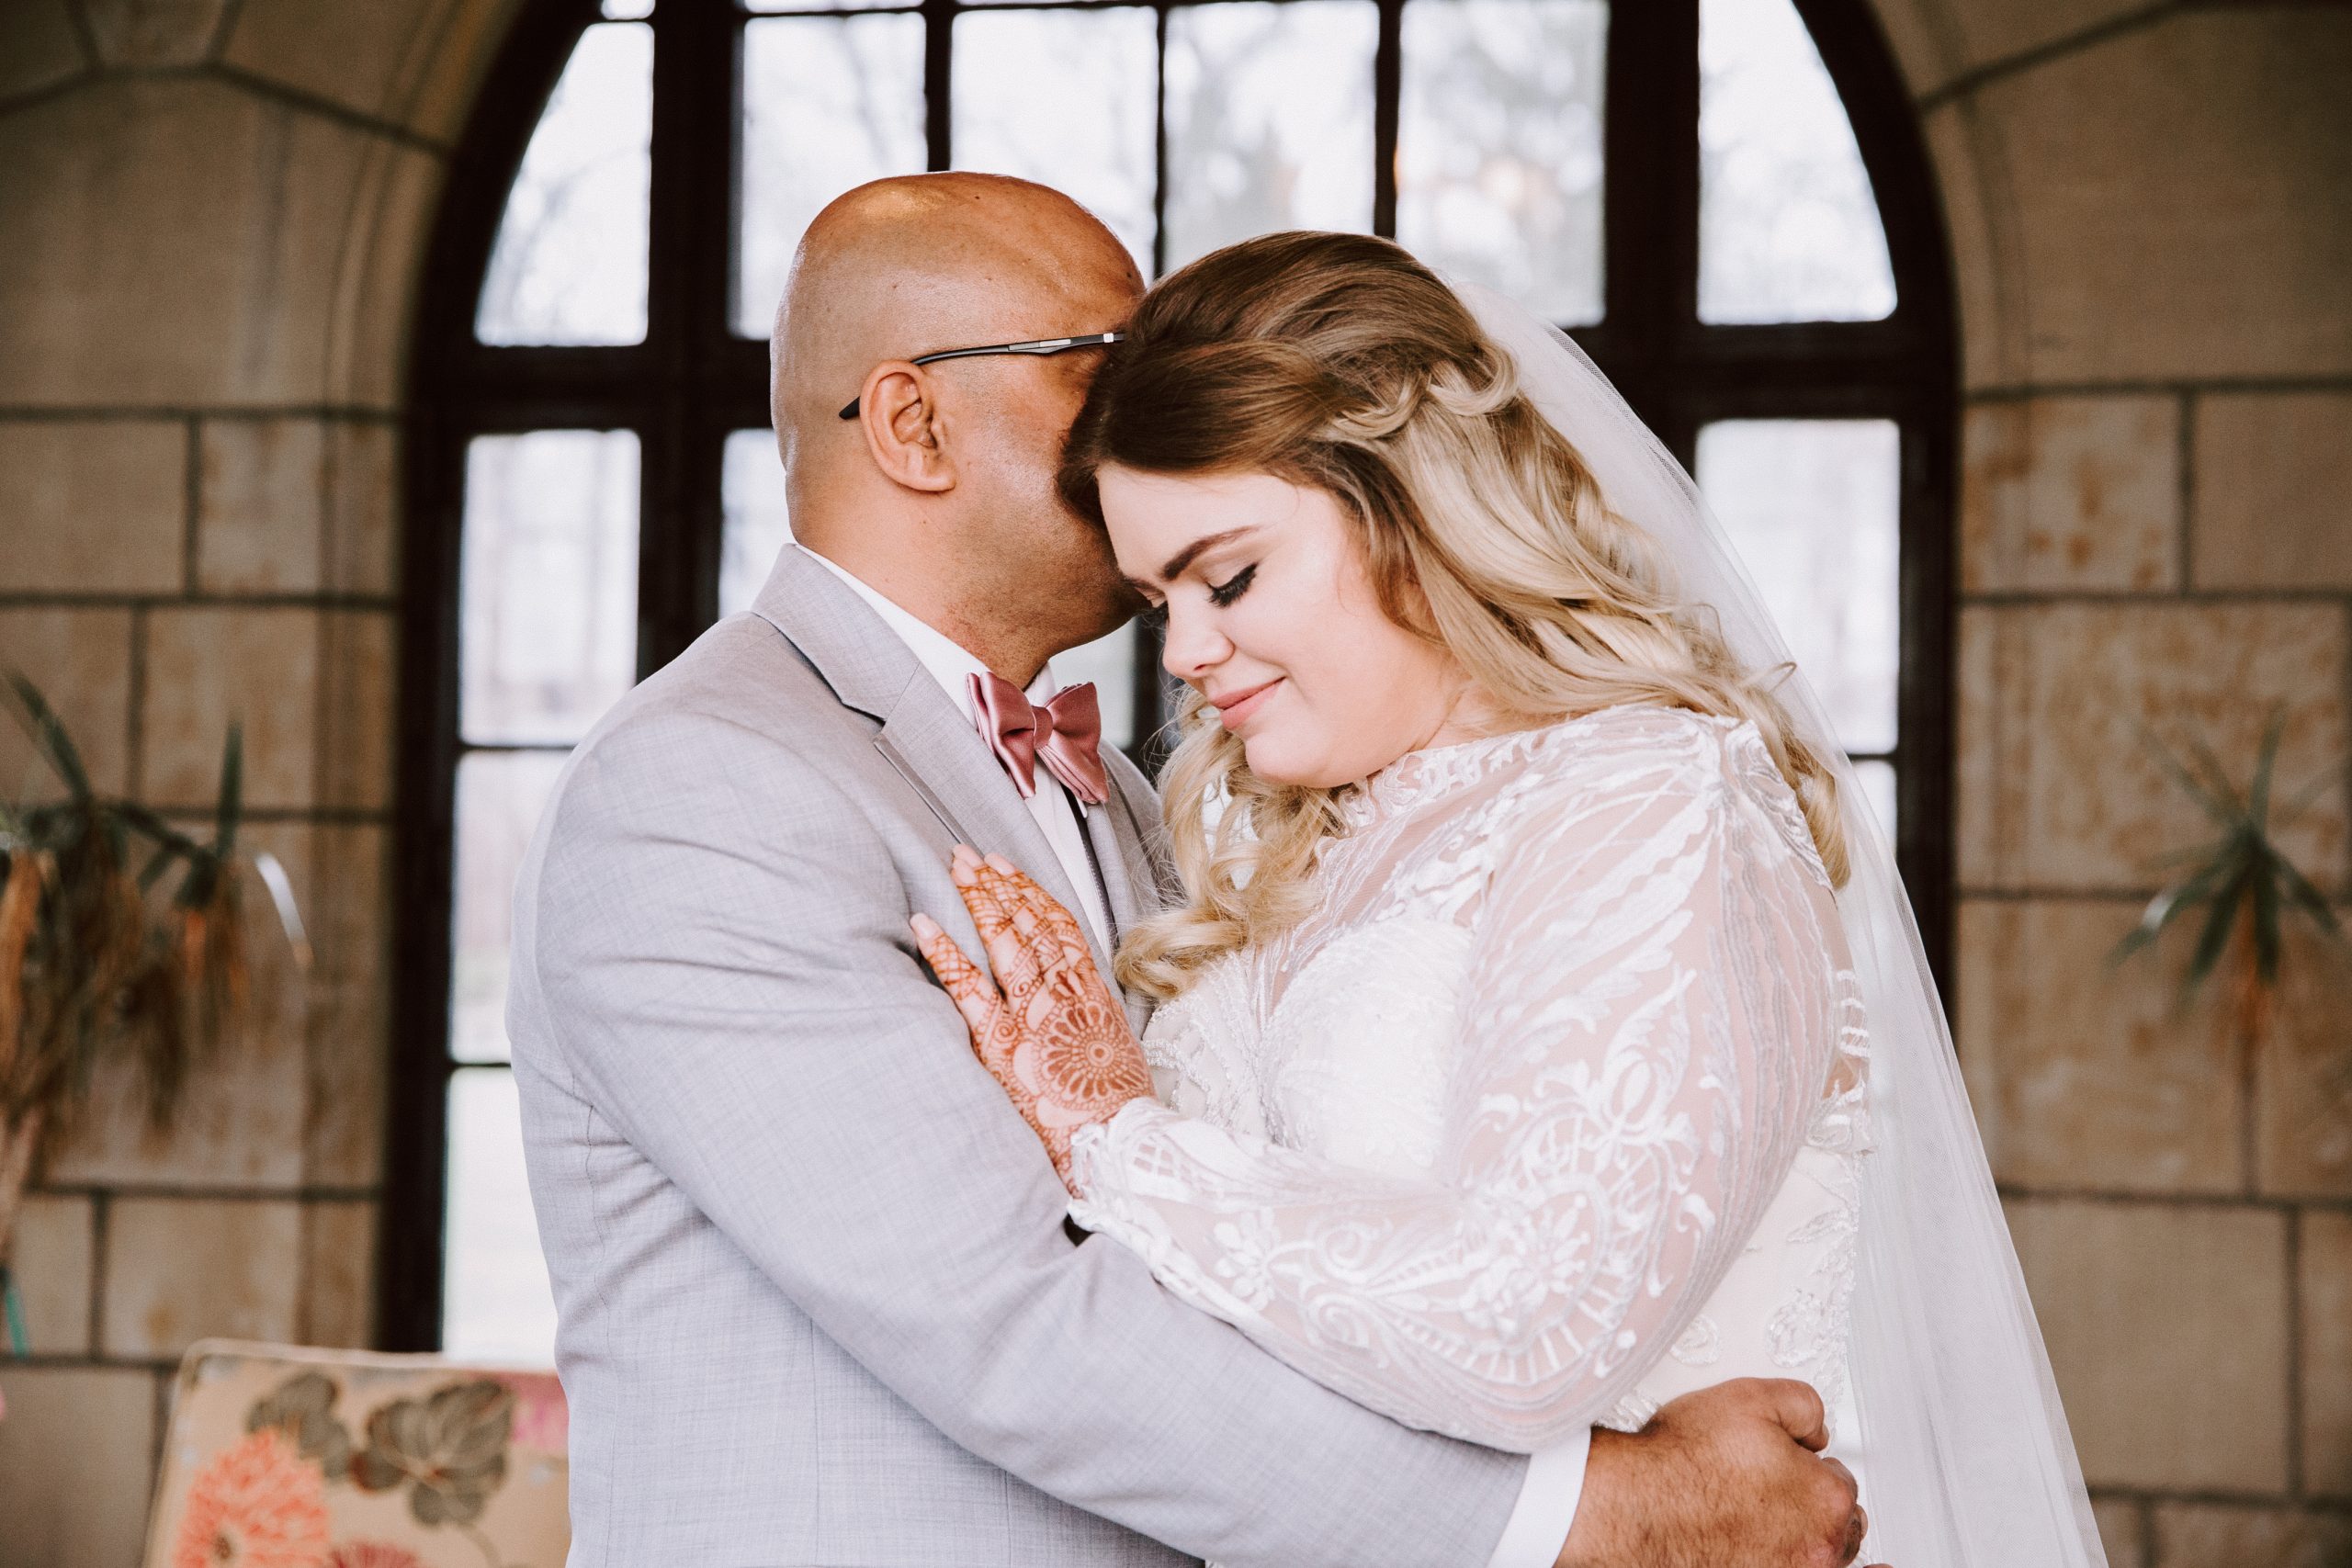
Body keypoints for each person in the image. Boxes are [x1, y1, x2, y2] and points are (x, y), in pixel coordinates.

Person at [509, 175, 1876, 1566]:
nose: (1144, 398)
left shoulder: (1149, 802)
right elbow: (1014, 1314)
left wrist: (1122, 1134)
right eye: (1104, 361)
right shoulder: (713, 787)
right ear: (914, 422)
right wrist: (1603, 1517)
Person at [915, 231, 2108, 1566]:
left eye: (1229, 576)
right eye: (1157, 600)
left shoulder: (1653, 802)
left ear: (1412, 506)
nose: (1187, 653)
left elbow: (1526, 1327)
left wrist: (1115, 1138)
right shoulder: (1287, 847)